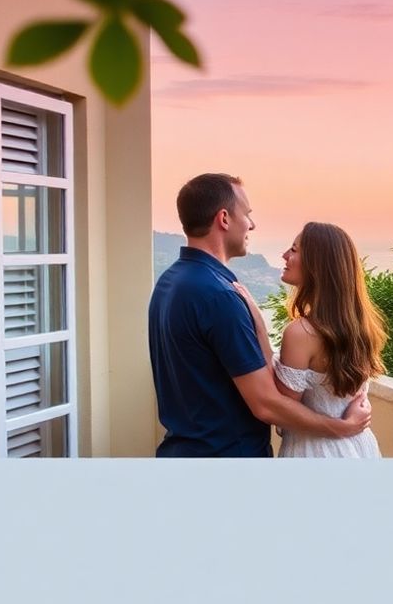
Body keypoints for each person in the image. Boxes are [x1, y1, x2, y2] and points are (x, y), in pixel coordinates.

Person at [148, 174, 371, 457]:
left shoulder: (170, 282)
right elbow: (267, 404)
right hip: (228, 460)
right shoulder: (219, 296)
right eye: (247, 214)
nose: (251, 224)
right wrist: (341, 428)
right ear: (224, 219)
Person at [233, 221, 386, 458]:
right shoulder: (361, 326)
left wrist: (259, 326)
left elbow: (280, 406)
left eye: (294, 250)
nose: (285, 255)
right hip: (359, 447)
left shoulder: (302, 332)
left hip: (316, 452)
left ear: (317, 265)